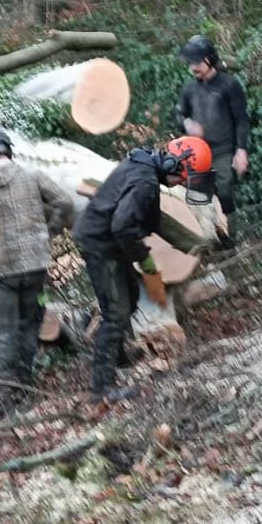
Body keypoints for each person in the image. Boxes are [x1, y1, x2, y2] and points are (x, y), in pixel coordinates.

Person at [72, 140, 208, 403]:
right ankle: (102, 387)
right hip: (100, 244)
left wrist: (188, 242)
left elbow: (148, 218)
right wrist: (144, 260)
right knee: (116, 311)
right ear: (175, 164)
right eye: (182, 177)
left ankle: (119, 354)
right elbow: (123, 227)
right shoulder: (144, 183)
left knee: (132, 296)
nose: (181, 183)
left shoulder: (143, 164)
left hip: (107, 239)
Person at [0, 128, 74, 416]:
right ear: (8, 150)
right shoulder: (32, 175)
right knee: (31, 322)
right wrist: (49, 231)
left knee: (6, 331)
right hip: (35, 266)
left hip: (2, 271)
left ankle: (4, 398)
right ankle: (24, 384)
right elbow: (64, 202)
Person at [177, 34, 250, 226]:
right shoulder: (189, 89)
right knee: (199, 198)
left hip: (223, 149)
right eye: (190, 63)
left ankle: (233, 236)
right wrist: (187, 123)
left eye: (196, 62)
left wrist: (241, 150)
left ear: (209, 60)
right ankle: (210, 241)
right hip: (197, 152)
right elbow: (179, 115)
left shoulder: (229, 85)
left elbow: (241, 119)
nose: (192, 67)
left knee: (225, 190)